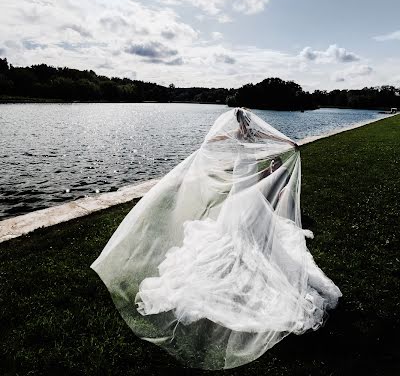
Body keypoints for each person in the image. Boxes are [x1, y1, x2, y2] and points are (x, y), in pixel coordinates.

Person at [91, 108, 341, 370]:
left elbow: (223, 141)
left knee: (242, 231)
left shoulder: (244, 135)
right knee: (239, 232)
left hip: (243, 192)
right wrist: (284, 143)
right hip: (242, 192)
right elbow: (219, 142)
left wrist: (287, 144)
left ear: (238, 122)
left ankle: (244, 249)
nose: (244, 125)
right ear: (246, 122)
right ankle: (243, 249)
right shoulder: (247, 136)